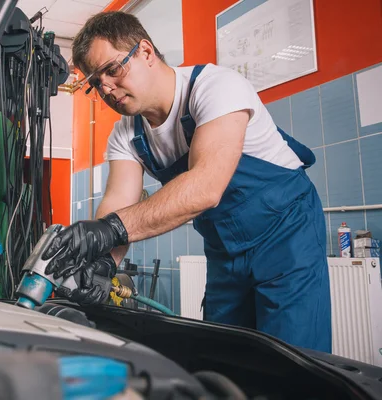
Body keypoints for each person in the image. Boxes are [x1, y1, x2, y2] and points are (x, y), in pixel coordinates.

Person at [43, 11, 331, 353]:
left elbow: (206, 187)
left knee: (294, 361)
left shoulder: (214, 87)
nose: (105, 87)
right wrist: (104, 263)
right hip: (225, 253)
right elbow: (118, 205)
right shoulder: (126, 134)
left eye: (112, 70)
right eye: (95, 82)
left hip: (287, 240)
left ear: (146, 52)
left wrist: (108, 230)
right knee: (223, 358)